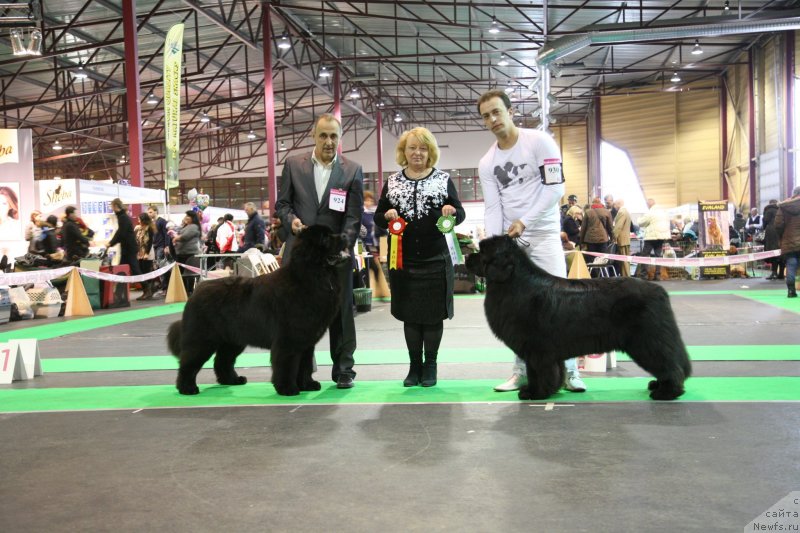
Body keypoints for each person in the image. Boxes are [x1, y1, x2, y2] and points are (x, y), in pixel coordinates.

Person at [476, 89, 586, 394]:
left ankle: (571, 371)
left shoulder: (540, 142)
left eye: (497, 112)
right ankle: (521, 371)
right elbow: (493, 207)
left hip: (544, 236)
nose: (493, 119)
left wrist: (525, 220)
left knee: (560, 304)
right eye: (486, 116)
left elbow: (555, 190)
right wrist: (494, 249)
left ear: (511, 112)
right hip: (513, 244)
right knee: (517, 310)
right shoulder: (487, 162)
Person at [275, 113, 364, 389]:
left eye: (333, 136)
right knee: (299, 315)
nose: (328, 141)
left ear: (339, 139)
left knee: (342, 313)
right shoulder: (292, 164)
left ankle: (344, 369)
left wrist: (342, 246)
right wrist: (292, 221)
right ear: (314, 136)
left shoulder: (351, 170)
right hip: (301, 257)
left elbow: (353, 217)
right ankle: (304, 371)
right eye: (323, 135)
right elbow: (283, 204)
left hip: (336, 257)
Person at [374, 127, 466, 388]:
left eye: (423, 148)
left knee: (433, 316)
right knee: (410, 316)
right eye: (412, 147)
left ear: (430, 152)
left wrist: (451, 212)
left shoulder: (443, 179)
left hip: (436, 260)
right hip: (404, 262)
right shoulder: (392, 182)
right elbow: (379, 216)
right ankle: (414, 367)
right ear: (404, 151)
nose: (417, 152)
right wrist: (387, 217)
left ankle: (431, 366)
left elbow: (459, 213)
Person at [775, 186, 800, 298]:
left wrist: (782, 236)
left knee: (791, 265)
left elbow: (778, 225)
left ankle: (791, 291)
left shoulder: (784, 206)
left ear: (793, 193)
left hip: (789, 240)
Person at [637, 198, 671, 280]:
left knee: (645, 255)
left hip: (651, 237)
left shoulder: (650, 212)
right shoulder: (664, 212)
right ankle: (658, 276)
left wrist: (639, 218)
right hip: (661, 237)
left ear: (649, 204)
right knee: (658, 256)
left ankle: (644, 275)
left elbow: (641, 223)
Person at [108, 198, 141, 276]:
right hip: (127, 248)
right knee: (123, 267)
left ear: (115, 206)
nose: (112, 209)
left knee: (134, 268)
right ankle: (122, 286)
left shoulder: (123, 217)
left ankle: (145, 285)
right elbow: (120, 232)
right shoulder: (122, 217)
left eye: (112, 206)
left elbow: (121, 233)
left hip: (129, 248)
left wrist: (111, 243)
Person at [580, 197, 613, 274]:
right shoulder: (606, 212)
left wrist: (581, 241)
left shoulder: (588, 212)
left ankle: (594, 276)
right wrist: (612, 238)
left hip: (590, 240)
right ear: (600, 203)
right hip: (603, 239)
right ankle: (604, 275)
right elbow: (610, 227)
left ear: (593, 203)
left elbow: (583, 228)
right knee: (603, 259)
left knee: (592, 260)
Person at [173, 210, 202, 296]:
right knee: (185, 274)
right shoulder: (187, 226)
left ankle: (188, 291)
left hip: (189, 254)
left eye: (188, 216)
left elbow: (185, 237)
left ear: (192, 218)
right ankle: (185, 291)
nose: (186, 218)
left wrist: (176, 238)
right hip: (182, 253)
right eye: (186, 216)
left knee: (188, 274)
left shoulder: (193, 227)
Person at [147, 205, 170, 294]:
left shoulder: (162, 221)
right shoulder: (152, 223)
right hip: (154, 247)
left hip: (161, 247)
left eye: (151, 212)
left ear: (156, 211)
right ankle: (163, 287)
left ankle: (165, 288)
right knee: (157, 268)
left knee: (162, 267)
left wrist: (167, 246)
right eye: (148, 212)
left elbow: (166, 234)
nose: (149, 214)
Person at [135, 212, 156, 300]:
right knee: (140, 272)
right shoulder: (138, 228)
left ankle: (148, 291)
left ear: (143, 220)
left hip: (147, 253)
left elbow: (150, 241)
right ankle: (145, 291)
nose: (138, 220)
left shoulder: (149, 228)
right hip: (139, 253)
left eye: (139, 219)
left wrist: (146, 253)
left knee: (146, 272)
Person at [762, 200, 784, 280]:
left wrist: (764, 228)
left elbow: (765, 221)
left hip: (771, 233)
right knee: (781, 253)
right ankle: (781, 273)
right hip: (781, 232)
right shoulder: (781, 209)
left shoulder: (768, 210)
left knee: (773, 252)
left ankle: (774, 273)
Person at [612, 199, 632, 277]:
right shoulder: (626, 211)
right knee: (626, 261)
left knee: (624, 261)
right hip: (625, 239)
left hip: (622, 240)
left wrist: (614, 237)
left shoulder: (621, 212)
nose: (614, 206)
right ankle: (626, 277)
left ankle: (626, 278)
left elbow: (618, 227)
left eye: (615, 204)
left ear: (618, 204)